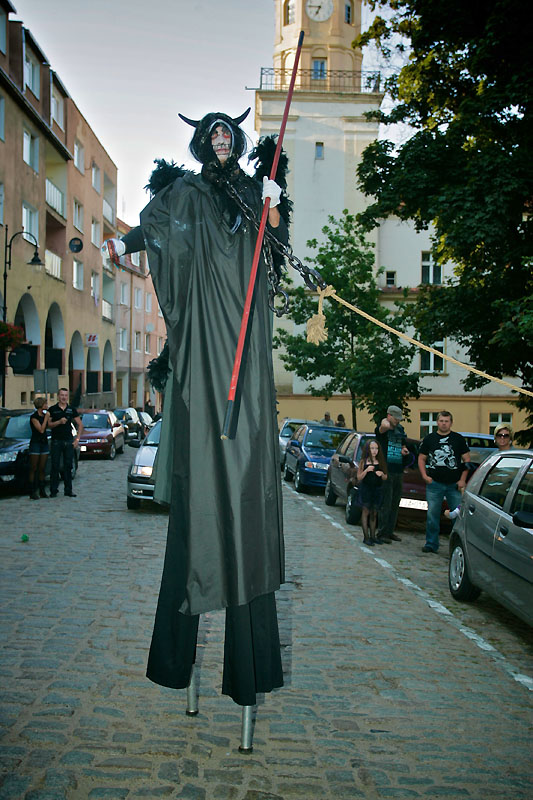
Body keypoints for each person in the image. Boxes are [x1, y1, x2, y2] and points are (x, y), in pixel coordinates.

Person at [102, 109, 289, 709]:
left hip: (245, 332)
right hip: (208, 339)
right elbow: (153, 224)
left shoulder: (252, 190)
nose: (221, 139)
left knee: (245, 495)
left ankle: (246, 670)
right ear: (200, 140)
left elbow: (277, 247)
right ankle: (179, 662)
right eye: (212, 133)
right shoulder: (185, 192)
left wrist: (273, 203)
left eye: (228, 132)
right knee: (206, 494)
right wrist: (119, 242)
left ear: (235, 140)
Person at [418, 410, 470, 553]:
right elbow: (421, 458)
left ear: (451, 423)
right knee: (432, 515)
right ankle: (431, 543)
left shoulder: (458, 439)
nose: (444, 423)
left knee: (457, 516)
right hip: (434, 483)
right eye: (441, 421)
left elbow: (467, 460)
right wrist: (424, 475)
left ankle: (457, 546)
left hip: (454, 484)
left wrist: (462, 479)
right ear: (437, 422)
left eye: (446, 421)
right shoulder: (429, 439)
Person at [374, 405, 410, 544]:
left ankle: (390, 531)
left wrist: (404, 450)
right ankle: (381, 532)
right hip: (386, 469)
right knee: (386, 503)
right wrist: (387, 421)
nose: (398, 421)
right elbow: (383, 426)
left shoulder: (400, 430)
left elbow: (403, 444)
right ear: (389, 416)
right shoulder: (383, 428)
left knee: (395, 503)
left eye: (399, 419)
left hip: (398, 469)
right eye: (396, 418)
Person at [48, 388, 83, 498]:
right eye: (62, 395)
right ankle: (54, 490)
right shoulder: (52, 409)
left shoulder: (71, 409)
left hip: (68, 441)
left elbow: (80, 425)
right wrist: (58, 422)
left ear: (68, 397)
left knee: (68, 466)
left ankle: (68, 490)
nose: (63, 397)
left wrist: (77, 439)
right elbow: (49, 425)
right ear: (58, 396)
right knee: (55, 466)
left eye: (66, 395)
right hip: (56, 441)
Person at [356, 439, 387, 546]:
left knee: (374, 512)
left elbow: (385, 477)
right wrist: (366, 470)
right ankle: (366, 536)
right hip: (366, 489)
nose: (374, 451)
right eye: (372, 448)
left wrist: (381, 474)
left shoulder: (381, 461)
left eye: (376, 448)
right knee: (366, 511)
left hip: (377, 489)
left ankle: (373, 535)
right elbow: (359, 477)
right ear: (368, 449)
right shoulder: (363, 461)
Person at [28, 397, 49, 500]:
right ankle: (32, 491)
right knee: (34, 467)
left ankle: (42, 490)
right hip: (36, 443)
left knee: (42, 468)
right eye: (45, 403)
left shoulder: (45, 416)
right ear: (41, 405)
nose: (47, 405)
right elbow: (41, 429)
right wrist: (46, 419)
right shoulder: (34, 417)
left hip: (44, 442)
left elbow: (48, 426)